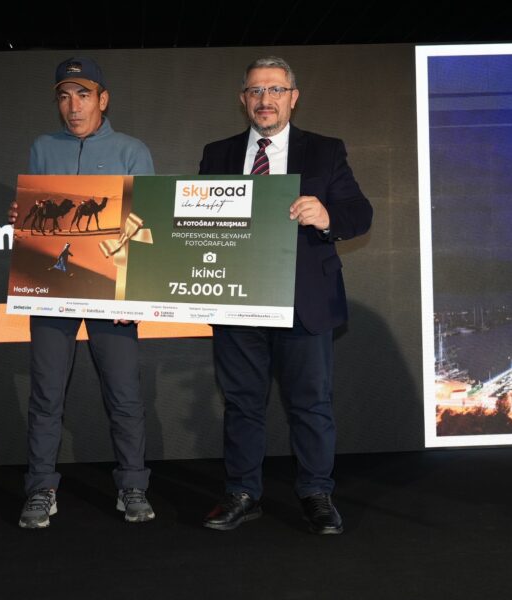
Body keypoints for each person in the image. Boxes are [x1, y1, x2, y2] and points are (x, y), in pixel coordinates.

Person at [198, 56, 373, 534]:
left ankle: (316, 493)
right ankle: (242, 493)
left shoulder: (325, 151)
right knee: (241, 403)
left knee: (310, 404)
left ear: (293, 97)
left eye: (275, 89)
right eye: (256, 90)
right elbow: (195, 223)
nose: (265, 99)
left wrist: (327, 216)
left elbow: (359, 213)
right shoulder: (217, 154)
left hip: (304, 300)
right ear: (243, 100)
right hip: (236, 296)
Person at [9, 57, 155, 529]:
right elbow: (39, 215)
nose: (74, 106)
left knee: (124, 393)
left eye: (84, 95)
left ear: (103, 99)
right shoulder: (42, 147)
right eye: (64, 96)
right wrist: (21, 217)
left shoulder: (132, 150)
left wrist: (134, 294)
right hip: (52, 285)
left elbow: (144, 223)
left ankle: (132, 485)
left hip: (112, 289)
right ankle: (41, 488)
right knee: (46, 393)